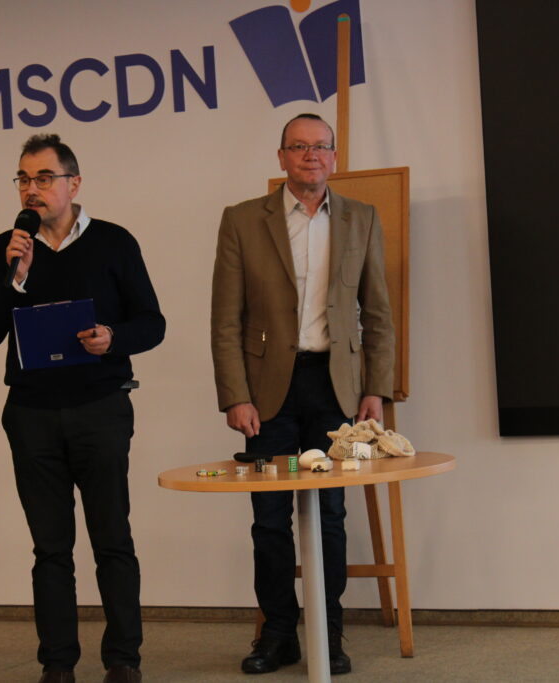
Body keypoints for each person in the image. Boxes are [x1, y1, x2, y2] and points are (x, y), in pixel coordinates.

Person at [0, 134, 164, 683]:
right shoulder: (9, 247)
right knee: (50, 548)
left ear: (73, 184)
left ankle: (123, 659)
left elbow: (152, 323)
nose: (31, 190)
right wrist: (15, 277)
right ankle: (57, 665)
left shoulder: (114, 242)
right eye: (23, 179)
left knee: (112, 540)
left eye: (43, 178)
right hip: (31, 415)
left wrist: (112, 337)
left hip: (100, 408)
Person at [210, 114, 395, 675]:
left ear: (334, 157)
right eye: (299, 146)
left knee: (331, 515)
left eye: (321, 147)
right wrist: (235, 395)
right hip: (266, 390)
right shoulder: (243, 220)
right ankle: (278, 635)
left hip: (336, 389)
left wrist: (376, 389)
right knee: (269, 517)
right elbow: (225, 319)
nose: (311, 155)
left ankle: (329, 633)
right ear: (281, 157)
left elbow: (378, 312)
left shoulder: (361, 218)